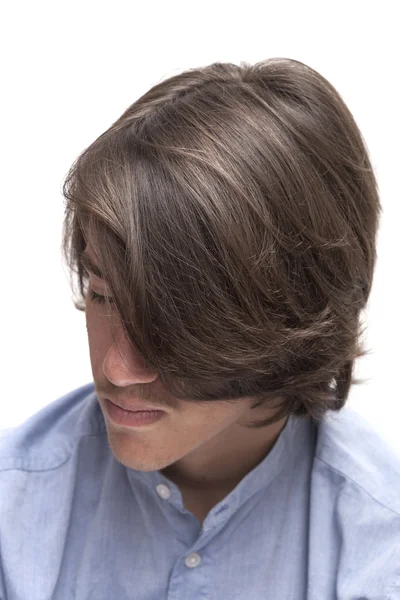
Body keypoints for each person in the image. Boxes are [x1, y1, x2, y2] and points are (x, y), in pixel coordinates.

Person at [0, 57, 399, 600]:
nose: (116, 368)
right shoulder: (12, 513)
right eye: (102, 294)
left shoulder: (380, 546)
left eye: (175, 320)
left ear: (297, 316)